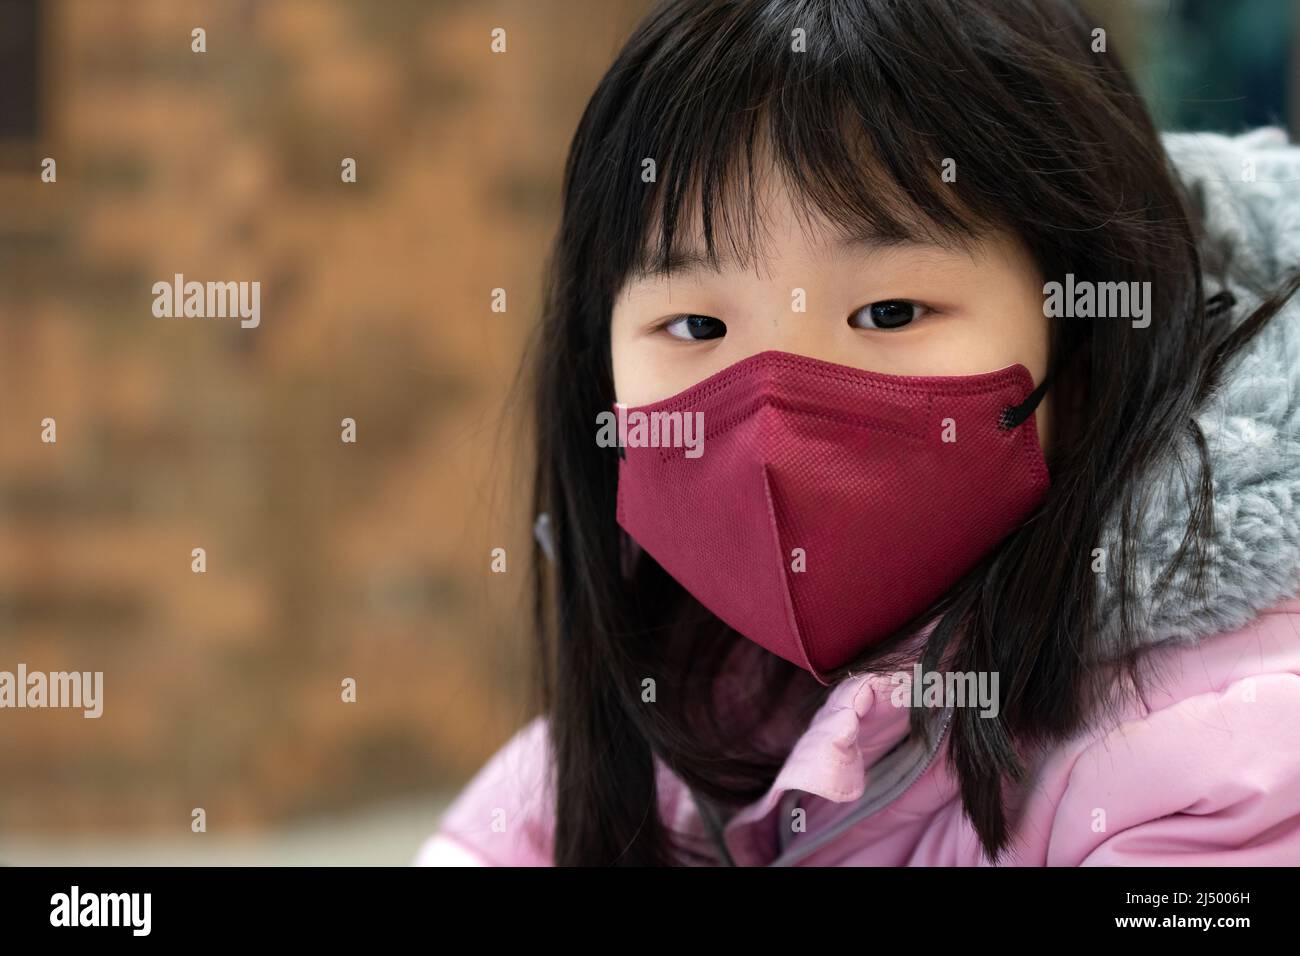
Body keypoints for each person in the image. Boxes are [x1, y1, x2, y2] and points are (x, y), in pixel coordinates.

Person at [416, 0, 1300, 866]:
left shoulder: (1217, 745)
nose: (772, 429)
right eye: (694, 327)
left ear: (1089, 320)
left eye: (887, 309)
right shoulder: (696, 680)